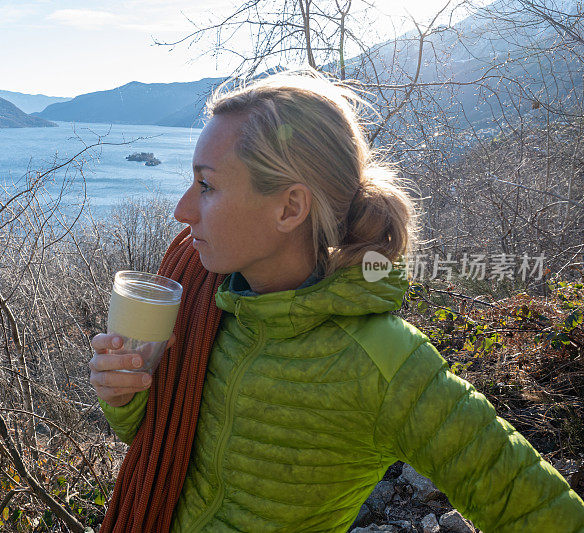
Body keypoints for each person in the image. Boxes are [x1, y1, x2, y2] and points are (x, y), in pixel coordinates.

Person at [89, 69, 584, 532]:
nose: (182, 210)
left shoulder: (385, 362)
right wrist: (126, 395)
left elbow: (535, 506)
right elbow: (159, 447)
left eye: (207, 185)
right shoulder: (209, 303)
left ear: (290, 207)